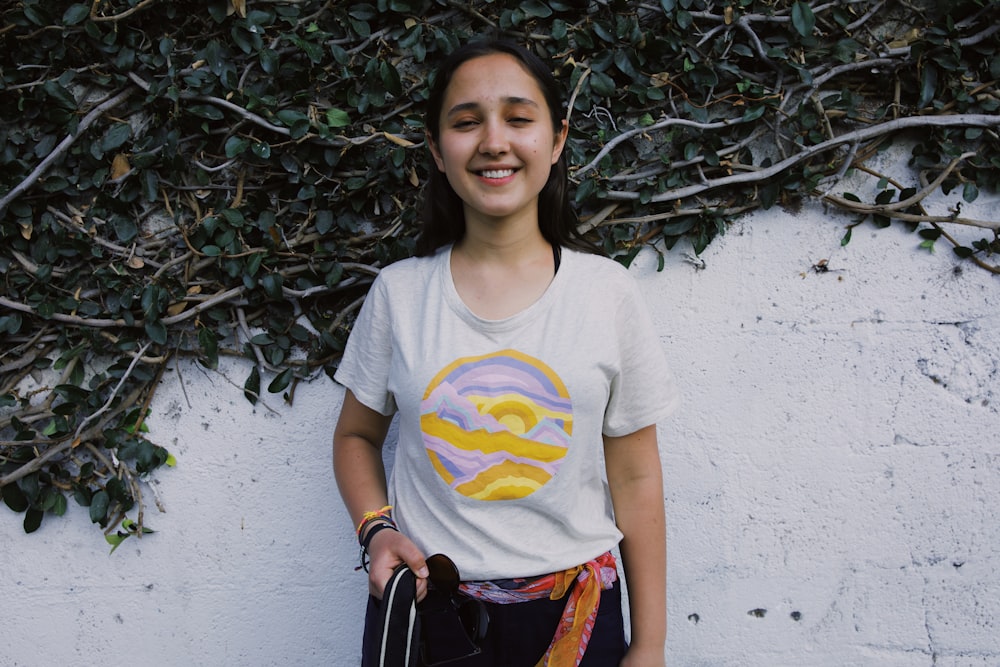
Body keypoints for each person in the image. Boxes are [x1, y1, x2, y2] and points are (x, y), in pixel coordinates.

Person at [333, 37, 679, 667]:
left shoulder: (606, 293)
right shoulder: (401, 294)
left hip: (579, 619)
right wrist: (376, 530)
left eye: (519, 119)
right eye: (467, 123)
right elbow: (356, 436)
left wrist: (650, 644)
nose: (494, 141)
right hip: (427, 620)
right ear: (438, 150)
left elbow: (636, 475)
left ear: (556, 139)